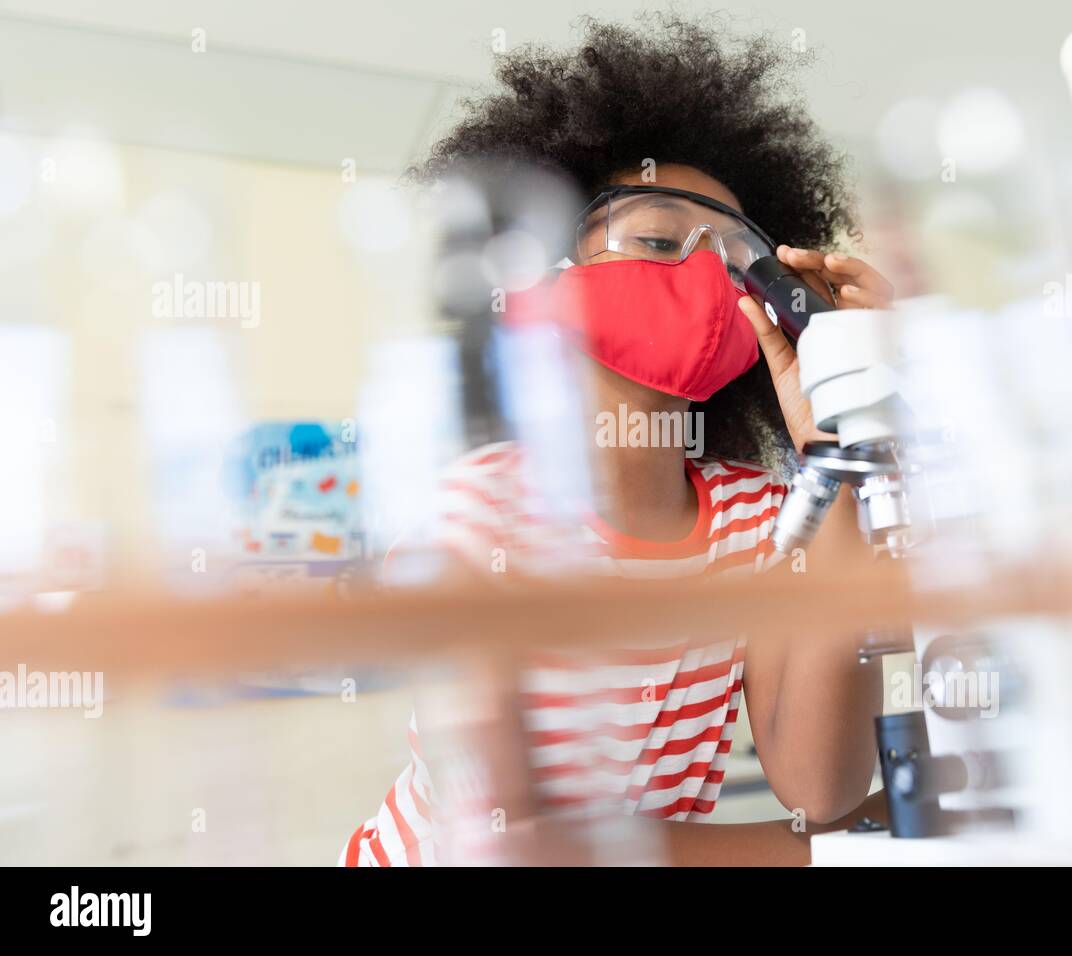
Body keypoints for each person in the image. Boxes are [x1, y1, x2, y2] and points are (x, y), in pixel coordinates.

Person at [342, 13, 894, 867]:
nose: (708, 274)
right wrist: (832, 856)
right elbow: (516, 846)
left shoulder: (768, 521)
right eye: (660, 241)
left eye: (741, 259)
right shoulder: (478, 516)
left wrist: (840, 439)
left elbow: (820, 788)